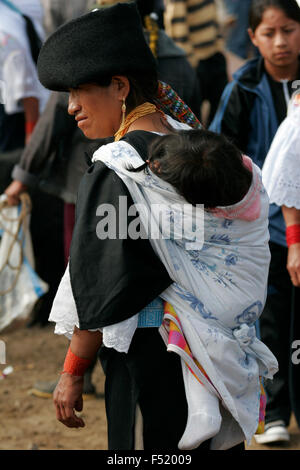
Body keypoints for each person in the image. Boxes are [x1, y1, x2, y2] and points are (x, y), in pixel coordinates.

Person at [36, 3, 263, 450]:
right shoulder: (197, 144)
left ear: (119, 86)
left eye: (80, 91)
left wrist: (71, 371)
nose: (71, 107)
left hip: (150, 358)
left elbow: (103, 284)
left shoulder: (118, 169)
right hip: (216, 352)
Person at [210, 0, 300, 444]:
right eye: (270, 33)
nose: (281, 42)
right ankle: (276, 411)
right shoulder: (244, 87)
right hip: (266, 229)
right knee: (272, 318)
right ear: (252, 38)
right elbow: (222, 156)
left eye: (289, 29)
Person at [261, 93, 300, 444]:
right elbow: (289, 177)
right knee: (281, 327)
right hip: (279, 239)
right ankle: (275, 412)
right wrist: (295, 244)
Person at [163, 0, 228, 125]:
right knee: (193, 119)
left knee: (221, 111)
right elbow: (176, 28)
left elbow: (213, 14)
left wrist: (219, 44)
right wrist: (190, 60)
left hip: (214, 54)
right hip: (196, 62)